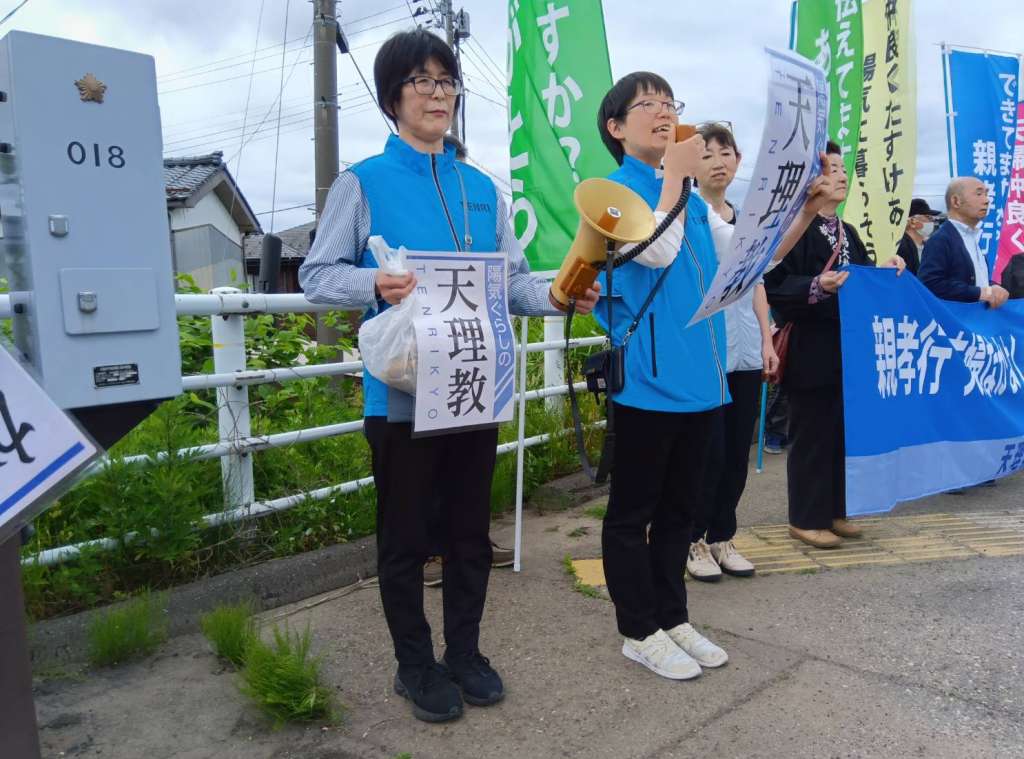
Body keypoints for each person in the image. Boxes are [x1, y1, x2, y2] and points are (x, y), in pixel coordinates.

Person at [299, 29, 598, 724]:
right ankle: (414, 665)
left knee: (469, 535)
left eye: (446, 81)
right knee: (405, 540)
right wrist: (376, 282)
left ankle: (465, 653)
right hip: (400, 395)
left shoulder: (482, 189)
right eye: (421, 81)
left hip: (471, 386)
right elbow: (316, 275)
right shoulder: (362, 183)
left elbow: (512, 285)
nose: (438, 94)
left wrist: (558, 296)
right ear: (392, 98)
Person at [686, 122, 834, 581]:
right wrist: (804, 212)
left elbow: (757, 278)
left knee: (736, 452)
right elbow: (759, 255)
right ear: (691, 163)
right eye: (707, 153)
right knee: (706, 453)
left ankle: (721, 536)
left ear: (739, 160)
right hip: (705, 349)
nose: (718, 162)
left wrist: (768, 340)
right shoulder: (688, 212)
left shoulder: (744, 215)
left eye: (725, 152)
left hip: (746, 347)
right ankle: (691, 539)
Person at [764, 141, 905, 550]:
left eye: (843, 169)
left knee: (842, 434)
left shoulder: (848, 231)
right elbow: (772, 285)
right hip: (810, 346)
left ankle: (836, 510)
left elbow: (861, 281)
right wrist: (815, 285)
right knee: (810, 435)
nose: (841, 176)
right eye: (831, 169)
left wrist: (887, 270)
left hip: (847, 347)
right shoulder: (794, 230)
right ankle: (805, 518)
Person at [918, 178, 1009, 308]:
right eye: (979, 194)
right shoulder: (941, 239)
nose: (986, 200)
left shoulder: (971, 237)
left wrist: (993, 287)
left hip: (976, 317)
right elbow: (930, 283)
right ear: (956, 201)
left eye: (986, 194)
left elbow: (975, 281)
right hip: (956, 318)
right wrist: (981, 292)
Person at [896, 198, 940, 275]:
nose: (932, 221)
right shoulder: (902, 247)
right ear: (912, 222)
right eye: (928, 217)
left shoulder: (927, 245)